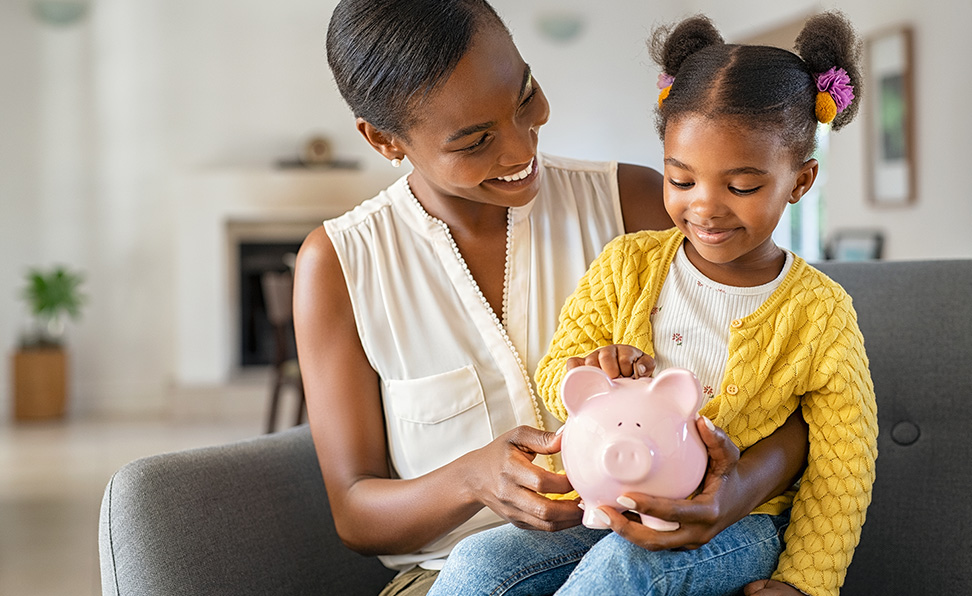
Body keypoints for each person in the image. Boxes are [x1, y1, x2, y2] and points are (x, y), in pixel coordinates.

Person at [294, 2, 811, 595]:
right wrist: (470, 480)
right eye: (475, 140)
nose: (520, 149)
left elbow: (795, 390)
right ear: (384, 140)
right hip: (453, 576)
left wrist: (733, 495)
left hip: (645, 552)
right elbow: (356, 514)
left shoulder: (637, 205)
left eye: (525, 96)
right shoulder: (339, 265)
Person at [429, 10, 877, 596]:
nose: (706, 208)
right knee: (479, 563)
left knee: (618, 574)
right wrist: (587, 369)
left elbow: (844, 464)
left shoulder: (821, 313)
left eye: (742, 187)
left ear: (800, 180)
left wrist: (805, 584)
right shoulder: (627, 264)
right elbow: (557, 370)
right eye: (681, 180)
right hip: (606, 498)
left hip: (740, 523)